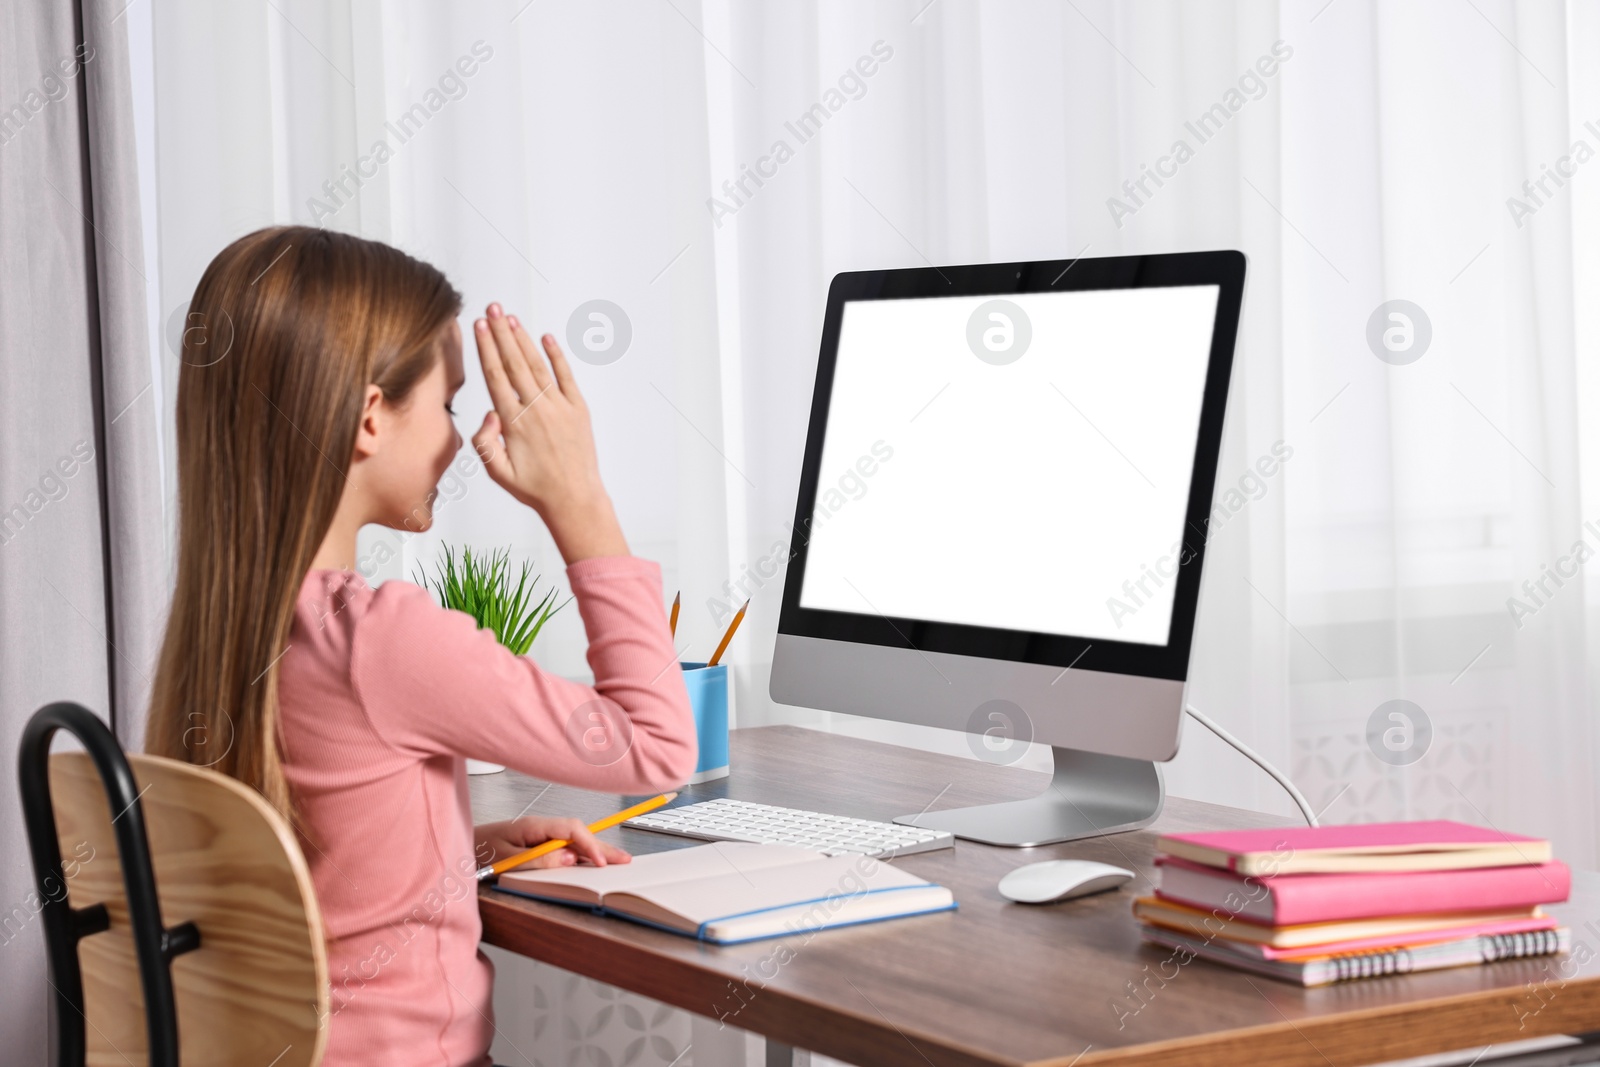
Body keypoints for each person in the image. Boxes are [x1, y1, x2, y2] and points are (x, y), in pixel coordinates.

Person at [144, 226, 696, 1066]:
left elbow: (302, 864)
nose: (458, 440)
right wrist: (579, 500)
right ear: (371, 417)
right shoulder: (382, 637)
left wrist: (465, 848)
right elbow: (660, 749)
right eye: (445, 405)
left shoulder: (226, 624)